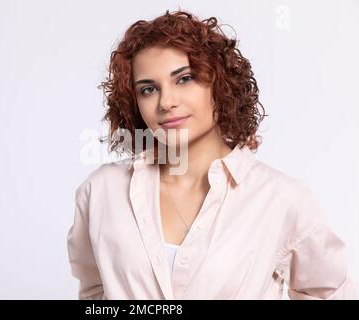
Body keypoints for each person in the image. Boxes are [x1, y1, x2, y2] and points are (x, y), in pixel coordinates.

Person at [67, 9, 357, 299]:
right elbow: (94, 293)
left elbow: (331, 291)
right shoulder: (101, 191)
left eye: (184, 79)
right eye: (148, 89)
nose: (166, 102)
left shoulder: (280, 198)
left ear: (220, 82)